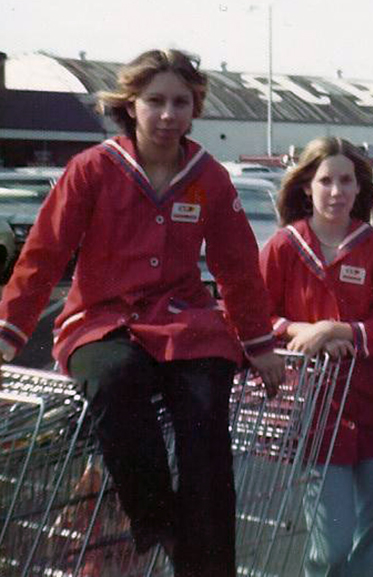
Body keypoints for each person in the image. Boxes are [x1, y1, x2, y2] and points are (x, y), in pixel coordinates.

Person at [0, 49, 285, 577]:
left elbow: (239, 268)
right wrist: (8, 333)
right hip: (101, 323)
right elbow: (43, 255)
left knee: (205, 416)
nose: (168, 114)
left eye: (181, 102)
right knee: (115, 378)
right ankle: (160, 522)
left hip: (184, 325)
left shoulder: (210, 179)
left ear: (194, 109)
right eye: (155, 101)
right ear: (130, 106)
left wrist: (259, 344)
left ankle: (207, 566)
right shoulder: (93, 169)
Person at [258, 137, 373, 577]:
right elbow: (249, 317)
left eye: (347, 180)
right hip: (316, 414)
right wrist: (300, 330)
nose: (337, 191)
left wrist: (338, 330)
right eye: (326, 180)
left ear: (360, 188)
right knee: (332, 544)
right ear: (307, 186)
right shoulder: (285, 247)